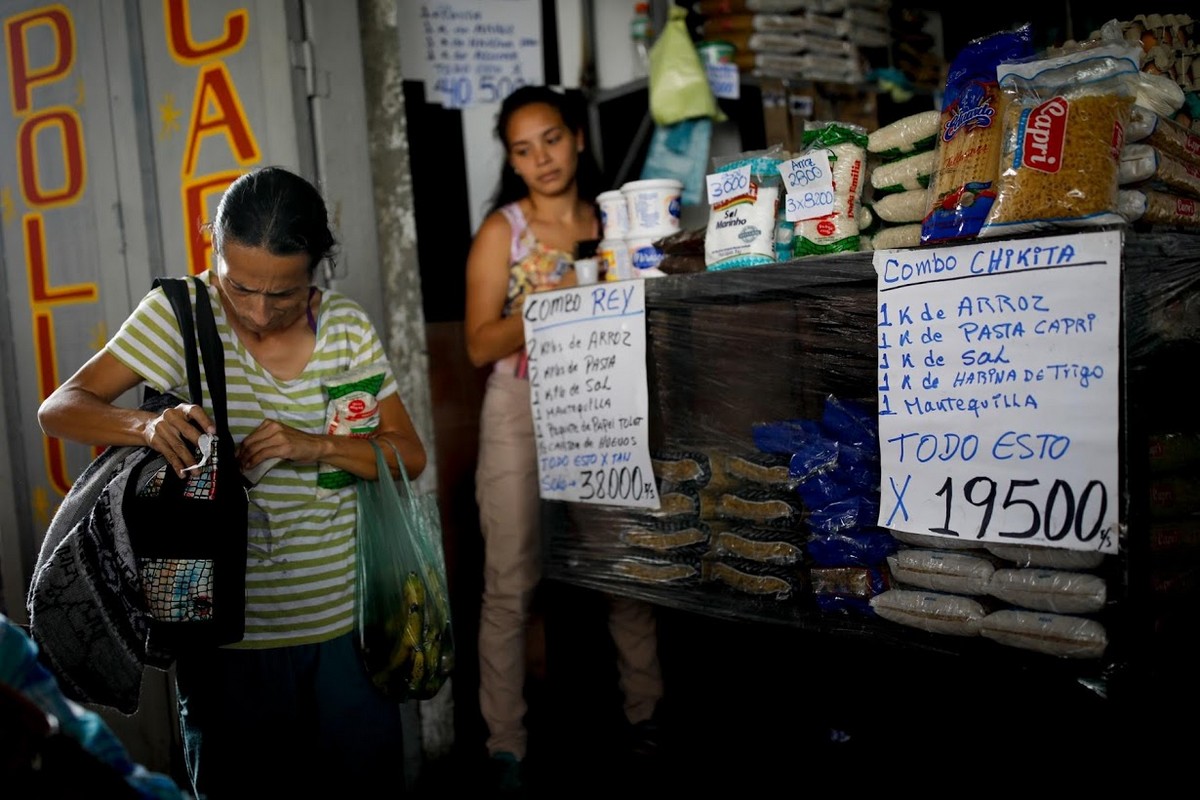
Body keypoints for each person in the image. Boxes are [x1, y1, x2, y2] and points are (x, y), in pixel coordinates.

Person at [37, 166, 427, 798]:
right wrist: (142, 424)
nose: (257, 312)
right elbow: (60, 408)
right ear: (212, 251)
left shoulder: (347, 329)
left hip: (346, 629)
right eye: (239, 287)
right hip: (223, 638)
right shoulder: (178, 316)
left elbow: (408, 457)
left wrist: (317, 444)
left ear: (316, 270)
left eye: (284, 294)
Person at [464, 85, 665, 795]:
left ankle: (646, 717)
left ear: (577, 138)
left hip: (602, 402)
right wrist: (547, 307)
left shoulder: (614, 222)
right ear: (513, 163)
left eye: (550, 139)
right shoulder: (504, 231)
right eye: (523, 149)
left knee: (624, 570)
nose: (541, 158)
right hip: (519, 402)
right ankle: (506, 744)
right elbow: (478, 344)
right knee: (510, 581)